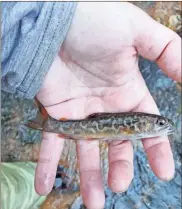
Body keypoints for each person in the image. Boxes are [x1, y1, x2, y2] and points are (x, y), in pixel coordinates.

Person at [2, 2, 181, 209]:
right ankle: (36, 158)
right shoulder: (135, 126)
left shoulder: (137, 125)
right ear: (142, 125)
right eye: (159, 124)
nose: (163, 126)